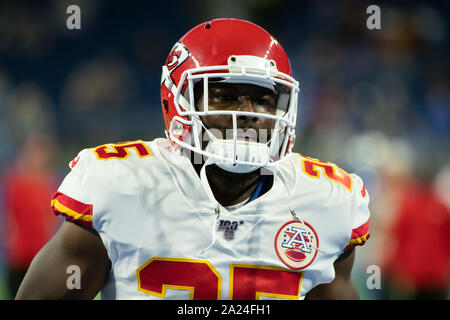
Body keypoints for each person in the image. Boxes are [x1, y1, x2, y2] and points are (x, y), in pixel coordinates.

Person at [15, 18, 370, 300]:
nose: (247, 113)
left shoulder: (326, 200)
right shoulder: (121, 184)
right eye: (223, 96)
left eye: (262, 99)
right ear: (178, 102)